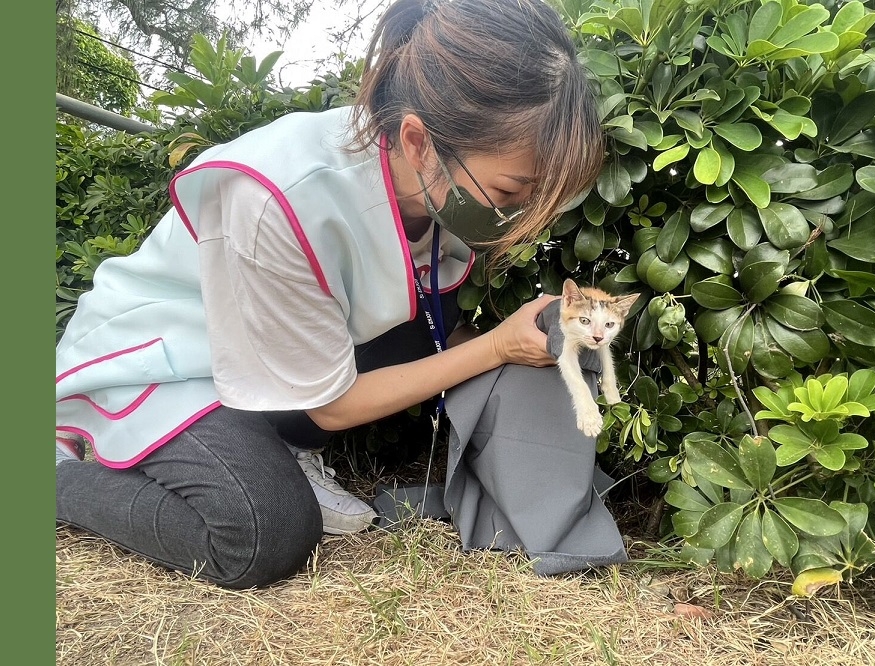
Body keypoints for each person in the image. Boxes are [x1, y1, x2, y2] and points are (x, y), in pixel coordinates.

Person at [56, 0, 605, 589]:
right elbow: (333, 406)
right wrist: (497, 348)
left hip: (266, 356)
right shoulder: (280, 194)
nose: (520, 216)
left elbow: (426, 328)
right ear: (420, 141)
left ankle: (269, 445)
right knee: (263, 534)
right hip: (163, 360)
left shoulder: (426, 182)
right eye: (510, 190)